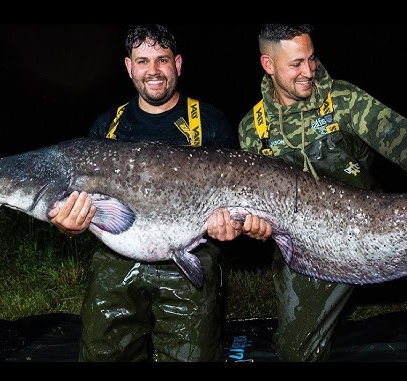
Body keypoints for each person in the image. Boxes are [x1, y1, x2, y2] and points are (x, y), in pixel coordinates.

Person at [227, 24, 407, 362]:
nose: (308, 71)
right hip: (312, 248)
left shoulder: (343, 99)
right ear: (268, 65)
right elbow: (253, 207)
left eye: (311, 58)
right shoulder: (254, 128)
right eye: (296, 64)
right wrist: (256, 229)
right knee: (294, 353)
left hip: (376, 229)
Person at [48, 24, 269, 362]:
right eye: (143, 61)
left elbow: (238, 205)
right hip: (116, 259)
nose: (153, 71)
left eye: (162, 60)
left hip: (191, 257)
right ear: (128, 66)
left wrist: (232, 230)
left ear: (177, 64)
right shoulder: (106, 128)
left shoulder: (209, 123)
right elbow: (84, 209)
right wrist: (68, 223)